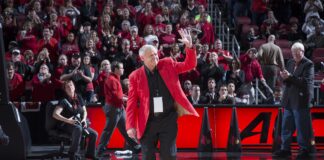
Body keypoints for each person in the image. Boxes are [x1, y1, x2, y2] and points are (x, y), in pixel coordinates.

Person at [126, 29, 199, 160]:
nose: (155, 57)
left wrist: (189, 47)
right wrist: (130, 125)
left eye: (155, 54)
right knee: (148, 156)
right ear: (142, 58)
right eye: (151, 56)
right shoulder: (135, 76)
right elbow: (131, 103)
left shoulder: (168, 64)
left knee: (169, 155)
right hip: (148, 121)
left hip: (168, 119)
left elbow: (190, 64)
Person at [274, 42, 315, 158]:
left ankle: (304, 150)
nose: (294, 56)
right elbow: (288, 81)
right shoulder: (290, 62)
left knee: (301, 127)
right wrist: (283, 77)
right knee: (286, 127)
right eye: (293, 53)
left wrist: (290, 77)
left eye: (297, 53)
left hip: (301, 100)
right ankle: (285, 149)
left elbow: (305, 83)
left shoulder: (309, 64)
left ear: (302, 52)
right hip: (288, 100)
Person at [97, 61, 140, 156]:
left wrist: (126, 98)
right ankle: (100, 150)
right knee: (108, 130)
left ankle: (136, 146)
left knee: (126, 128)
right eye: (121, 68)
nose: (123, 69)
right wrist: (129, 98)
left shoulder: (116, 79)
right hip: (113, 108)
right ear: (116, 69)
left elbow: (119, 95)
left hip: (119, 108)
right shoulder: (111, 80)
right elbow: (116, 96)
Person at [52, 80, 98, 160]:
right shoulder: (64, 100)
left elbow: (84, 111)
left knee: (94, 134)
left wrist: (83, 119)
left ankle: (90, 154)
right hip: (66, 124)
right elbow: (55, 114)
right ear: (65, 89)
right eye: (67, 86)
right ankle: (72, 153)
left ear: (74, 87)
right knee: (78, 129)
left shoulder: (78, 97)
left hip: (79, 122)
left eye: (71, 85)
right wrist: (68, 120)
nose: (70, 87)